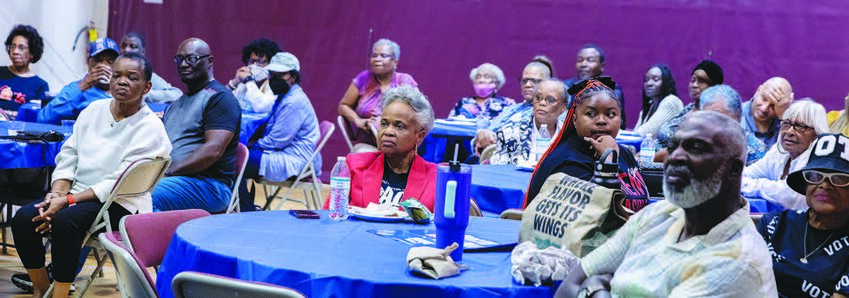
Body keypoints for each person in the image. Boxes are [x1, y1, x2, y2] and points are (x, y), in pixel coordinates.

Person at [556, 111, 777, 297]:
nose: (675, 157)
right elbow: (568, 286)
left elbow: (582, 284)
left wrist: (595, 290)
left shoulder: (738, 262)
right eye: (673, 146)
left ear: (734, 169)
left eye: (697, 148)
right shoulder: (658, 215)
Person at [10, 53, 171, 298]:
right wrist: (57, 194)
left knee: (66, 222)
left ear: (147, 86)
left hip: (120, 203)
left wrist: (67, 203)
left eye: (132, 77)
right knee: (24, 219)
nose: (122, 81)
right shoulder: (94, 110)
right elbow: (69, 154)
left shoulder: (151, 127)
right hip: (74, 195)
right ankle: (41, 289)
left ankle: (60, 295)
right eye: (117, 75)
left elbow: (118, 182)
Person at [525, 78, 648, 212]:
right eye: (591, 114)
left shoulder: (623, 153)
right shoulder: (567, 163)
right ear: (575, 120)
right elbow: (599, 215)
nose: (601, 121)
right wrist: (607, 162)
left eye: (611, 114)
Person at [152, 38, 241, 213]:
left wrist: (169, 171)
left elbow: (213, 150)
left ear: (209, 61)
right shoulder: (177, 103)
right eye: (179, 59)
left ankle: (163, 240)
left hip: (209, 185)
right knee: (125, 190)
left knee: (146, 195)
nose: (183, 64)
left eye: (191, 59)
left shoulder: (220, 98)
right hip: (177, 180)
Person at [758, 133, 849, 298]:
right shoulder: (774, 223)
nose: (824, 185)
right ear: (806, 184)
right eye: (815, 176)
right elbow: (743, 281)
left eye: (839, 178)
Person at [238, 52, 321, 211]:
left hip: (292, 160)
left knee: (234, 159)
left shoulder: (293, 102)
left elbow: (277, 141)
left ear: (293, 77)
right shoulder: (286, 95)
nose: (274, 78)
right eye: (273, 74)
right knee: (237, 155)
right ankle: (244, 206)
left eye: (280, 74)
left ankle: (245, 210)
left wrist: (252, 147)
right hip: (287, 154)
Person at [333, 86, 437, 211]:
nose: (388, 132)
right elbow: (332, 213)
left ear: (419, 136)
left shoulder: (436, 178)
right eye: (384, 124)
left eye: (399, 126)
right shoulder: (354, 165)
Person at [742, 99, 828, 210]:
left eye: (800, 126)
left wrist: (753, 185)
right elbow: (742, 175)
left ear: (817, 134)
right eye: (786, 124)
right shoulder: (779, 151)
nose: (789, 131)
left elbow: (790, 195)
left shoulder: (818, 159)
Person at [338, 38, 417, 147]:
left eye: (383, 56)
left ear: (395, 62)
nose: (377, 59)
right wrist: (358, 120)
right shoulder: (364, 79)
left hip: (397, 146)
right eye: (374, 55)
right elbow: (343, 106)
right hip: (367, 144)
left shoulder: (405, 81)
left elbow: (418, 114)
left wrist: (387, 122)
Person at [473, 57, 553, 156]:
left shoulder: (551, 113)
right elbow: (487, 132)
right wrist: (481, 135)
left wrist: (494, 141)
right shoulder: (511, 109)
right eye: (524, 80)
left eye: (534, 81)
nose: (527, 85)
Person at [37, 38, 119, 125]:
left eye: (110, 61)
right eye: (98, 60)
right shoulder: (77, 88)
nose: (104, 66)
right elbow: (44, 119)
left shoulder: (124, 91)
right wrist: (83, 86)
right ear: (89, 62)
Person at [489, 79, 566, 165]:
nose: (542, 103)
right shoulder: (509, 132)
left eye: (550, 100)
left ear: (563, 107)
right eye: (538, 98)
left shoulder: (570, 136)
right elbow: (499, 169)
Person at [655, 60, 724, 148]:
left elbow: (687, 150)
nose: (694, 85)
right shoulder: (688, 109)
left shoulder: (713, 116)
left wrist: (652, 156)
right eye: (693, 80)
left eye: (701, 81)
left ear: (714, 86)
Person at [695, 85, 766, 166]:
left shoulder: (755, 151)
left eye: (726, 123)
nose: (717, 129)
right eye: (711, 120)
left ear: (738, 119)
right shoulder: (688, 143)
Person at [562, 44, 626, 129]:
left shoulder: (612, 90)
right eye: (580, 60)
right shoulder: (566, 87)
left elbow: (619, 125)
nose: (583, 64)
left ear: (602, 66)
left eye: (590, 60)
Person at [119, 31, 183, 103]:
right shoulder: (111, 72)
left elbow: (177, 94)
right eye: (123, 46)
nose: (126, 50)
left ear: (142, 52)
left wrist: (145, 94)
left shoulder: (146, 75)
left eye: (132, 47)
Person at [0, 24, 48, 115]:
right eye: (13, 47)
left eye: (21, 48)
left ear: (32, 53)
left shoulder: (40, 86)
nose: (15, 52)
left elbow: (39, 117)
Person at [226, 38, 281, 113]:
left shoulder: (276, 85)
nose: (254, 66)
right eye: (252, 61)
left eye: (260, 62)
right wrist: (234, 82)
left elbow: (261, 107)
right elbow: (221, 102)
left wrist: (249, 81)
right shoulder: (243, 84)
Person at [448, 63, 515, 120]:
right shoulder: (463, 102)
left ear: (497, 82)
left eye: (486, 77)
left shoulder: (507, 104)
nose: (481, 80)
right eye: (478, 77)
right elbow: (450, 124)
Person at [741, 77, 794, 149]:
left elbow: (788, 156)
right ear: (758, 90)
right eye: (764, 99)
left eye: (773, 106)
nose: (764, 109)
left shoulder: (783, 124)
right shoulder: (733, 116)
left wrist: (784, 116)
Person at [633, 64, 682, 136]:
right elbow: (635, 134)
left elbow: (645, 133)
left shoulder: (671, 101)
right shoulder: (649, 107)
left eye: (655, 80)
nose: (649, 83)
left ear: (665, 82)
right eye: (646, 80)